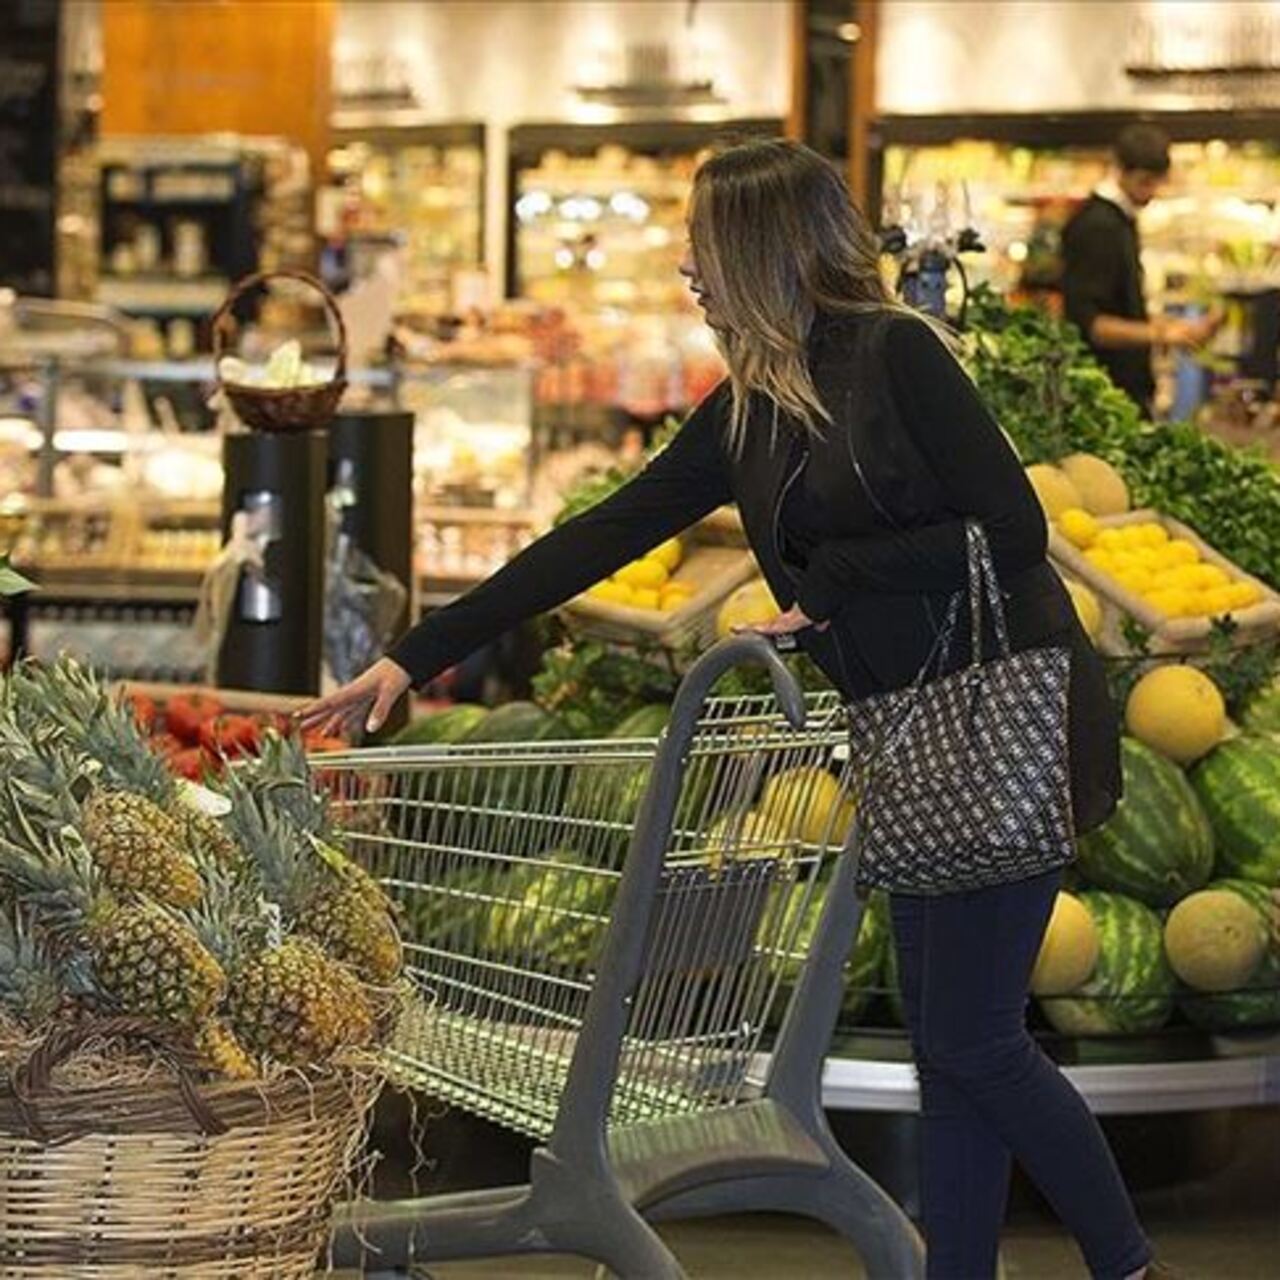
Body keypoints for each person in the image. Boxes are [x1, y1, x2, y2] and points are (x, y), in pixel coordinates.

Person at [301, 138, 1168, 1280]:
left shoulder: (898, 355)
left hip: (1008, 718)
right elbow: (602, 532)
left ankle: (1126, 1262)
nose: (686, 269)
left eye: (703, 246)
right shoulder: (752, 407)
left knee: (973, 1041)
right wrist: (414, 655)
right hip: (906, 731)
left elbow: (1009, 530)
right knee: (949, 1049)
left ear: (760, 250)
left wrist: (827, 587)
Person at [1061, 122, 1219, 416]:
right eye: (1145, 182)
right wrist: (1163, 334)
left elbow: (1119, 306)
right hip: (1103, 393)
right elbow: (1092, 324)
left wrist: (1171, 327)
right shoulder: (1099, 226)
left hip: (1116, 389)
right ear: (1119, 169)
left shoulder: (1119, 220)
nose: (1152, 193)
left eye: (1158, 182)